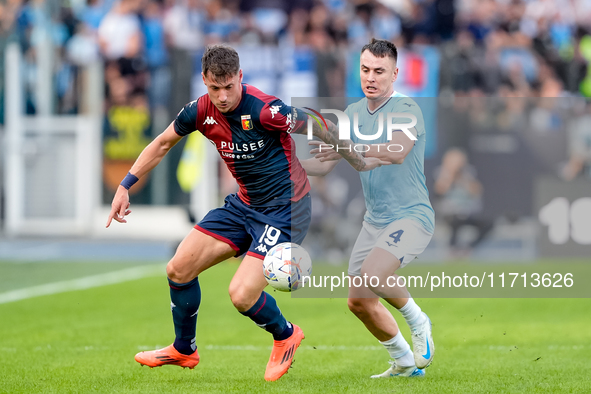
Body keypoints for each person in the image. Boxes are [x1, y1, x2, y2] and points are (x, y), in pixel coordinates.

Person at [106, 44, 387, 382]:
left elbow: (314, 120)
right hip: (244, 205)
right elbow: (163, 143)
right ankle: (184, 349)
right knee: (178, 268)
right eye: (214, 88)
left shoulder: (267, 110)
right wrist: (125, 185)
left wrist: (356, 159)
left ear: (240, 76)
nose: (222, 96)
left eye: (229, 87)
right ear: (204, 81)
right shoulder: (198, 111)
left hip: (286, 209)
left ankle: (285, 334)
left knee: (241, 295)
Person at [302, 38, 435, 378]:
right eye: (365, 70)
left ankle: (419, 322)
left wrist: (347, 144)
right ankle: (405, 363)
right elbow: (325, 164)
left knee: (375, 277)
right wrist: (284, 164)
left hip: (412, 216)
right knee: (359, 302)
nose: (371, 77)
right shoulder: (352, 114)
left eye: (379, 71)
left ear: (395, 74)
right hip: (374, 221)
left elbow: (398, 150)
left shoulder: (407, 109)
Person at [434, 147, 493, 258]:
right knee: (455, 222)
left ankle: (467, 248)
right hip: (450, 214)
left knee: (488, 224)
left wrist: (464, 178)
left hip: (468, 213)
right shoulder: (440, 172)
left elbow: (476, 191)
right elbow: (440, 191)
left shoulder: (469, 173)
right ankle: (453, 250)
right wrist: (451, 174)